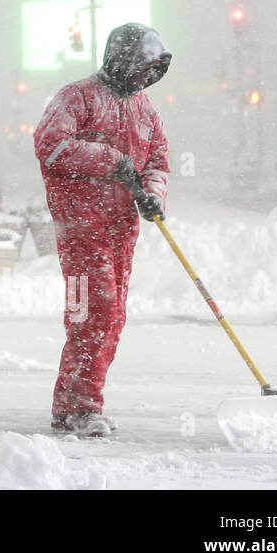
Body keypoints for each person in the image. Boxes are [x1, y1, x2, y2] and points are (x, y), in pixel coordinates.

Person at [33, 23, 171, 437]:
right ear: (123, 60)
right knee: (91, 312)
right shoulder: (77, 98)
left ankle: (71, 404)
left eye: (155, 70)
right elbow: (51, 146)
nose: (148, 77)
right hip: (80, 229)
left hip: (120, 231)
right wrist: (111, 160)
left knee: (111, 317)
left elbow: (158, 161)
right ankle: (82, 406)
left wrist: (152, 195)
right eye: (143, 67)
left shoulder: (146, 111)